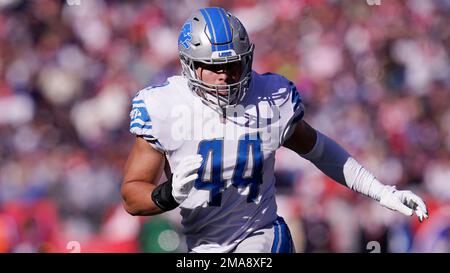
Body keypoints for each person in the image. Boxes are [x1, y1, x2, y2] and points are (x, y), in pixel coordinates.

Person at [121, 7, 428, 253]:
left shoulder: (271, 97)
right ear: (190, 65)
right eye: (214, 67)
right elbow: (132, 195)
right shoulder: (164, 106)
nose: (226, 76)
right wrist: (168, 195)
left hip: (263, 235)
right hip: (204, 245)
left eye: (234, 65)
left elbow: (319, 150)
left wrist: (380, 191)